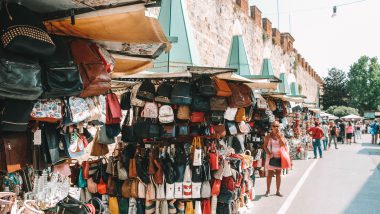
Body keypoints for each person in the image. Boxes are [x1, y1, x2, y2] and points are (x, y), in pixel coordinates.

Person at [263, 121, 288, 197]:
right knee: (270, 174)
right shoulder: (268, 136)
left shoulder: (281, 135)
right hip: (271, 157)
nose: (275, 127)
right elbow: (264, 146)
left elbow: (283, 145)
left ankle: (278, 191)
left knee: (278, 174)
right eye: (274, 126)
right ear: (271, 127)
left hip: (279, 156)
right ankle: (268, 191)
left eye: (277, 126)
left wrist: (279, 137)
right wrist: (268, 153)